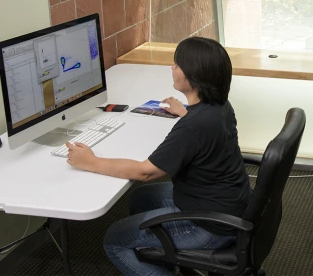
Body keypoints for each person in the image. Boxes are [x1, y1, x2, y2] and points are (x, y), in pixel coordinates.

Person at [66, 37, 252, 276]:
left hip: (210, 226)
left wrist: (91, 162)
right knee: (140, 200)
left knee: (114, 240)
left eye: (177, 65)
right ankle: (162, 254)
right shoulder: (219, 107)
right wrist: (184, 112)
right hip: (228, 204)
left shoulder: (192, 127)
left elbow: (146, 172)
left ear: (192, 76)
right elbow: (203, 132)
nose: (172, 69)